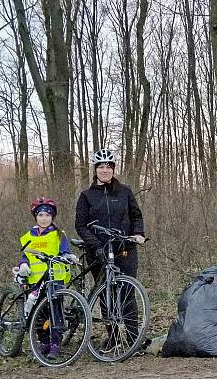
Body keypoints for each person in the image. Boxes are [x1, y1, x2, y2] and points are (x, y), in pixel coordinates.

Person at [74, 149, 145, 349]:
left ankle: (133, 340)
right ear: (95, 170)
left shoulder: (125, 192)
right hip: (99, 251)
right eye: (101, 167)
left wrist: (138, 233)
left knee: (128, 293)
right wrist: (96, 245)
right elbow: (81, 225)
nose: (105, 170)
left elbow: (136, 215)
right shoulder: (86, 196)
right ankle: (113, 337)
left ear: (113, 170)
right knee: (107, 294)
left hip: (124, 249)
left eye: (108, 167)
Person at [16, 197, 76, 359]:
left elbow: (64, 251)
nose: (44, 218)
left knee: (55, 311)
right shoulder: (29, 236)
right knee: (38, 312)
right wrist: (23, 265)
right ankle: (43, 342)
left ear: (52, 217)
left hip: (55, 279)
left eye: (48, 215)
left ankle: (55, 343)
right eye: (41, 215)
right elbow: (25, 256)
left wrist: (68, 256)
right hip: (35, 281)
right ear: (36, 216)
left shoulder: (58, 234)